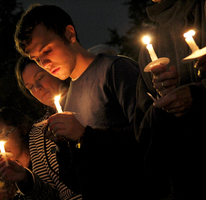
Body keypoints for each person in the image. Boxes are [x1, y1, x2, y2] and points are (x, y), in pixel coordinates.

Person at [14, 4, 151, 199]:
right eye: (36, 58)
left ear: (70, 34)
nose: (44, 64)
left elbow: (149, 137)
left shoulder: (116, 70)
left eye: (47, 50)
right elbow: (78, 182)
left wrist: (84, 135)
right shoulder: (68, 99)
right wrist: (63, 145)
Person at [135, 0, 206, 199]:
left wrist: (200, 92)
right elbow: (144, 125)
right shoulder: (150, 44)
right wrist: (164, 95)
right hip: (185, 176)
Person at [15, 56, 82, 199]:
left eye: (40, 77)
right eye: (30, 87)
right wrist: (26, 179)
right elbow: (48, 194)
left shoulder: (89, 103)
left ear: (55, 71)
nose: (38, 87)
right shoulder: (38, 133)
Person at [0, 107, 61, 199]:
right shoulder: (8, 177)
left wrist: (27, 180)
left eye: (2, 135)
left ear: (21, 128)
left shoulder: (45, 157)